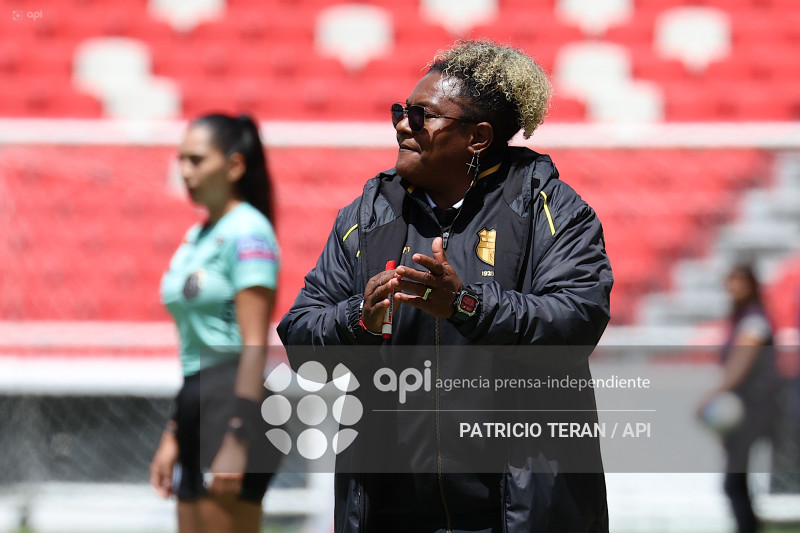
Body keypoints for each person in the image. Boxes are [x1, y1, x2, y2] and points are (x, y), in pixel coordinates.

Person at [277, 40, 613, 533]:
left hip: (518, 514)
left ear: (478, 137)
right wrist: (358, 321)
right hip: (390, 515)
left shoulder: (554, 210)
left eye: (422, 115)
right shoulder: (366, 216)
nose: (401, 125)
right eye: (400, 111)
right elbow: (301, 339)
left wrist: (465, 306)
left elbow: (575, 324)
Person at [149, 113, 280, 533]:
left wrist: (238, 435)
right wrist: (174, 429)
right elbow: (194, 350)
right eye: (181, 160)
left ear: (235, 165)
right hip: (196, 402)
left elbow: (254, 344)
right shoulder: (198, 236)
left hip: (233, 406)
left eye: (196, 159)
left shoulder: (249, 233)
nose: (184, 171)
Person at [699, 264, 779, 533]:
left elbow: (739, 366)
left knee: (733, 481)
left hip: (754, 409)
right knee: (737, 480)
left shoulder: (754, 322)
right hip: (745, 409)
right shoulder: (742, 319)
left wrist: (710, 398)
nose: (733, 288)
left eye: (739, 282)